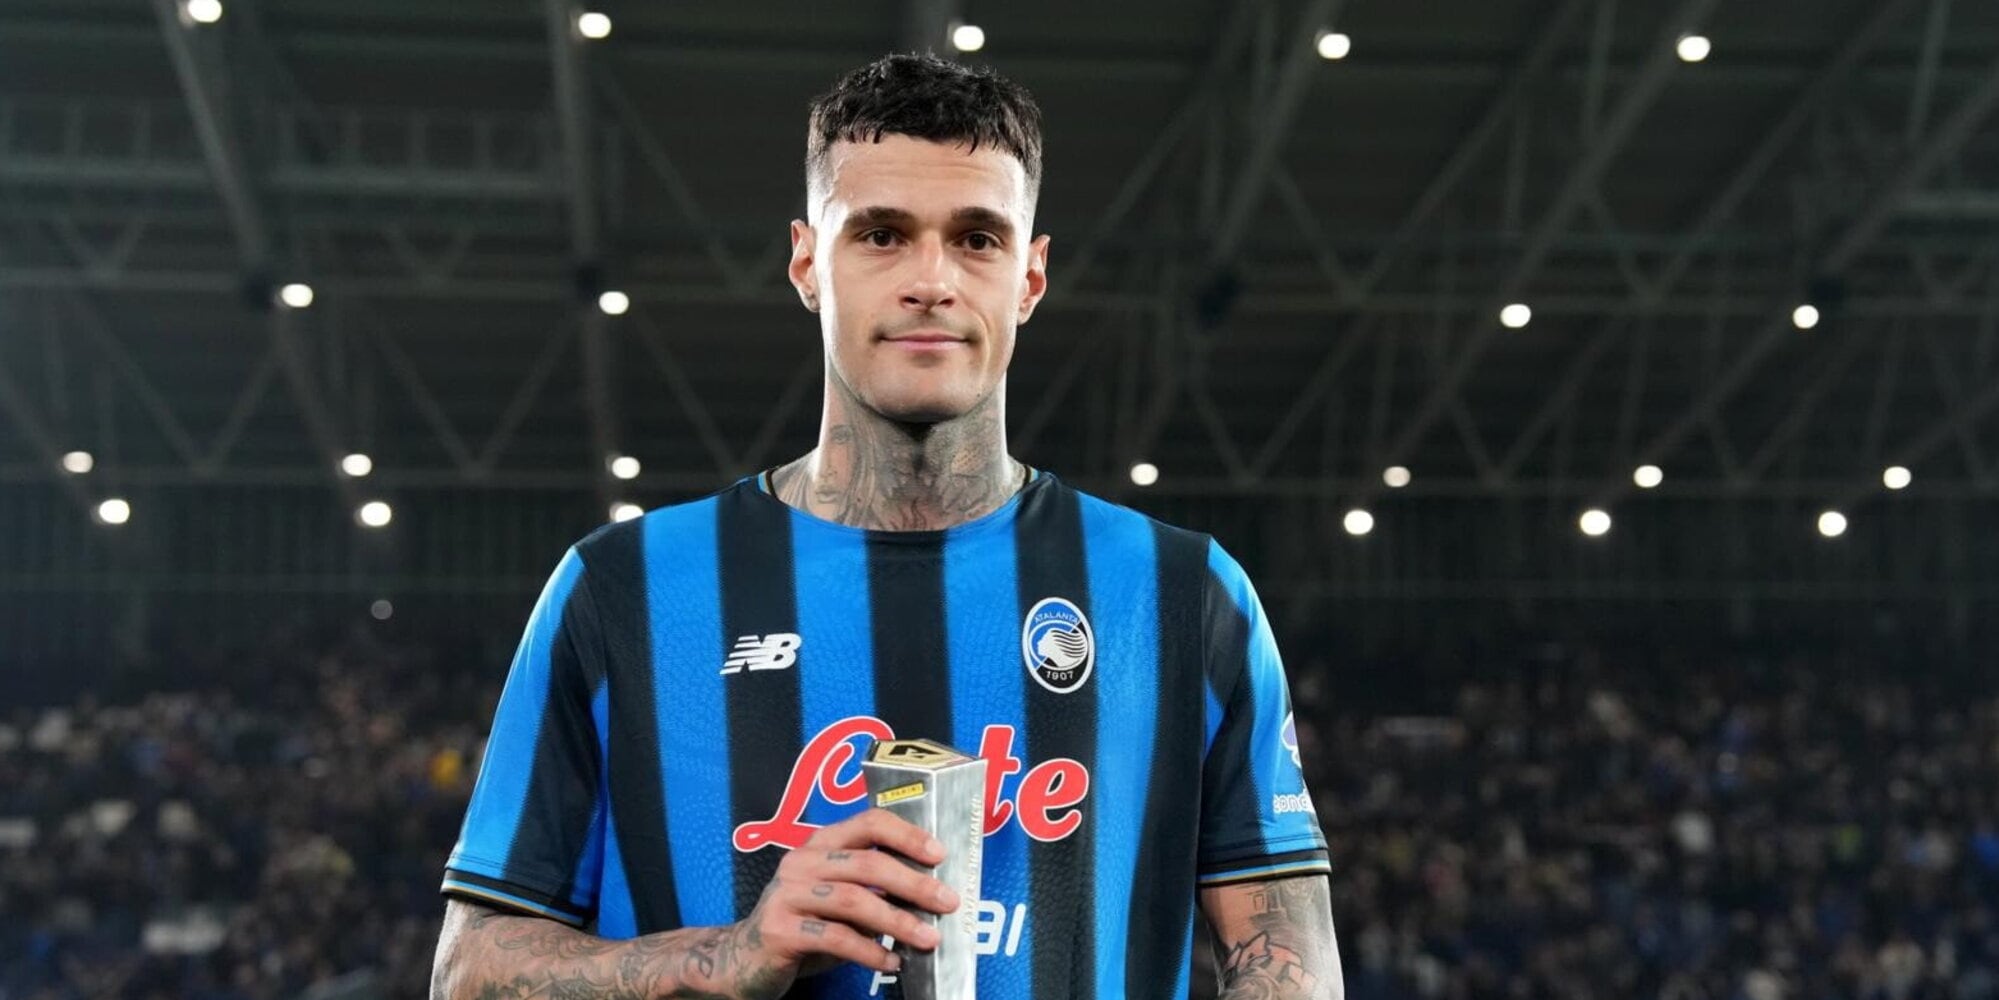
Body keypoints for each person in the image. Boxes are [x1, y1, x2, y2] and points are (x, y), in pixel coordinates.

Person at [430, 52, 1343, 1000]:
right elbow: (468, 972)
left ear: (1029, 277)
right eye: (880, 235)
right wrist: (728, 957)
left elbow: (1291, 964)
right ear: (806, 263)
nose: (930, 280)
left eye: (977, 239)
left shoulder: (1183, 593)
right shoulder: (622, 587)